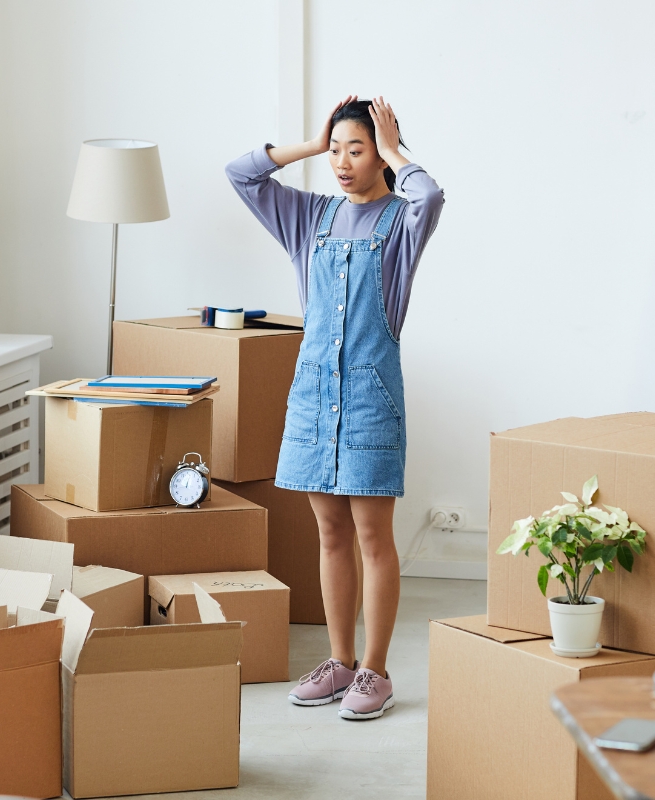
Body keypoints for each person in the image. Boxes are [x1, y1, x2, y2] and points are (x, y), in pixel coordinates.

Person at [226, 96, 444, 720]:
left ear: (381, 155)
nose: (344, 163)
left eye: (359, 150)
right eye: (338, 151)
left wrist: (399, 149)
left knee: (374, 536)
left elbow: (430, 197)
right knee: (330, 533)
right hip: (314, 401)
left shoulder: (402, 222)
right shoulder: (309, 218)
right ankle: (340, 661)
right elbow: (241, 172)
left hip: (372, 401)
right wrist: (311, 143)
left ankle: (376, 671)